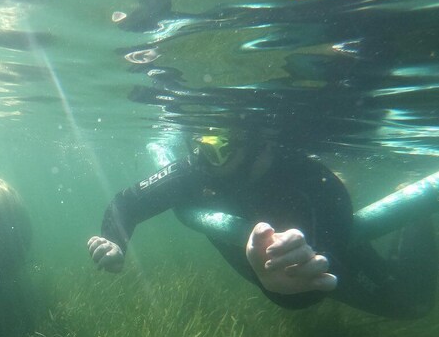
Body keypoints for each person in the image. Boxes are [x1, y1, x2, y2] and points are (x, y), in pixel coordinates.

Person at [87, 132, 438, 319]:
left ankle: (418, 222)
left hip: (328, 238)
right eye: (199, 146)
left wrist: (287, 290)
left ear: (257, 143)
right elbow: (125, 202)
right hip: (288, 258)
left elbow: (320, 278)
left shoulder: (311, 182)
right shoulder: (197, 169)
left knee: (410, 305)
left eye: (219, 148)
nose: (202, 160)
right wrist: (113, 239)